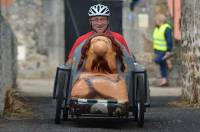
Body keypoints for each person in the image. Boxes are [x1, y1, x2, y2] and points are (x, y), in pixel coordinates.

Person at [153, 14, 173, 86]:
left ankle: (168, 60)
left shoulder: (166, 28)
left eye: (156, 20)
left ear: (160, 21)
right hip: (158, 50)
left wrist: (168, 51)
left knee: (157, 60)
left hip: (164, 50)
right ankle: (164, 80)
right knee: (162, 66)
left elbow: (169, 40)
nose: (155, 21)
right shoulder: (157, 28)